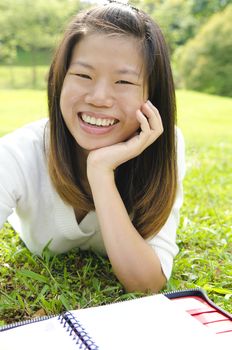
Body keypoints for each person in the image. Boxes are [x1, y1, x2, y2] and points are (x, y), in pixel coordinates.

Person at [0, 1, 185, 293]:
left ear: (153, 96)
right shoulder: (18, 153)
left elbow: (147, 283)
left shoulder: (165, 144)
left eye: (123, 81)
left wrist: (100, 173)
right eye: (83, 76)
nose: (99, 97)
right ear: (60, 81)